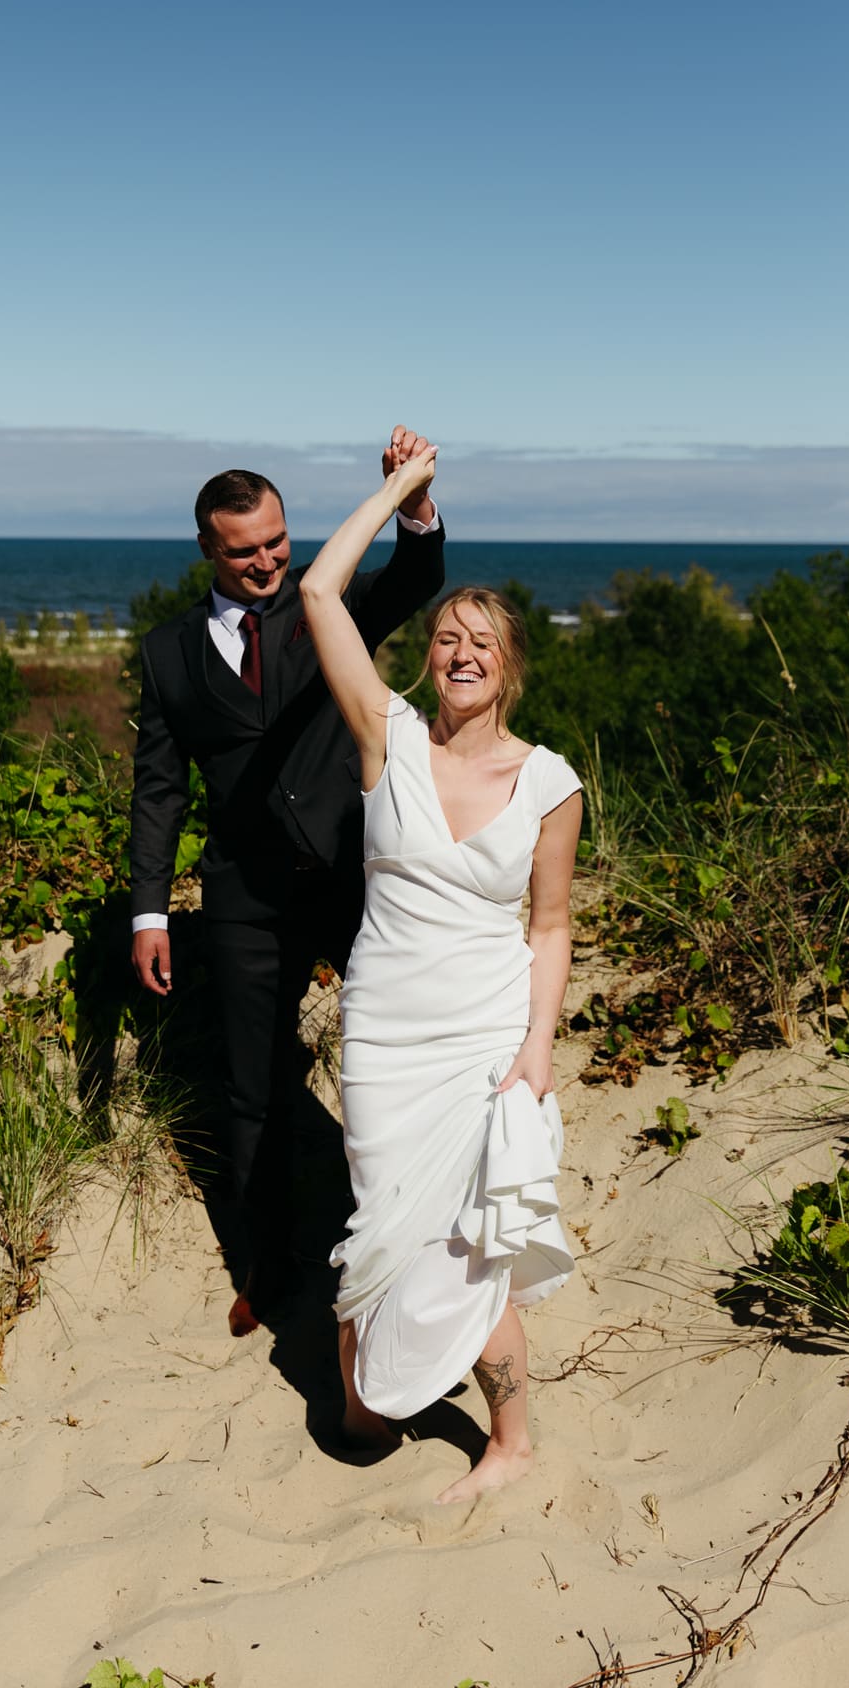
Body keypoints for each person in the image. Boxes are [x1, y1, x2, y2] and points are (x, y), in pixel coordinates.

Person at [299, 444, 582, 1502]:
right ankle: (372, 1398)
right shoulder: (390, 739)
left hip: (482, 1037)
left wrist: (536, 1048)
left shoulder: (549, 782)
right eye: (447, 637)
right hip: (383, 1031)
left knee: (472, 1242)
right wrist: (405, 499)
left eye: (483, 642)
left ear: (510, 667)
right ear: (428, 657)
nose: (462, 651)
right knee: (377, 1233)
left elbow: (548, 926)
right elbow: (320, 588)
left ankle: (509, 1438)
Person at [129, 431, 445, 1336]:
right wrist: (150, 912)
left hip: (357, 880)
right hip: (242, 898)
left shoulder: (328, 606)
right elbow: (159, 789)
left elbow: (414, 580)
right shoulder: (166, 653)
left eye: (276, 541)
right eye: (244, 549)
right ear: (206, 550)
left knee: (404, 1056)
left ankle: (423, 1239)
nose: (267, 561)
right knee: (251, 1087)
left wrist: (412, 504)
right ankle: (264, 1269)